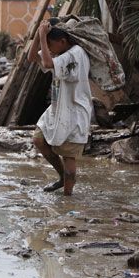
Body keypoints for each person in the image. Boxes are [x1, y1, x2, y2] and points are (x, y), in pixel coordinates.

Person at [28, 19, 92, 196]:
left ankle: (68, 198)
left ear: (62, 41)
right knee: (38, 139)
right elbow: (31, 57)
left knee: (69, 156)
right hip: (58, 108)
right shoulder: (60, 53)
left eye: (49, 45)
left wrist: (42, 35)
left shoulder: (75, 54)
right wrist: (38, 35)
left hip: (74, 111)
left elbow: (47, 64)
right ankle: (62, 177)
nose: (47, 48)